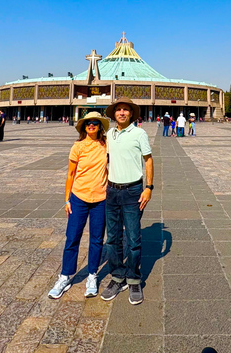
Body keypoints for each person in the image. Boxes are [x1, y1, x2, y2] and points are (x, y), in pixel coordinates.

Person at [48, 111, 110, 299]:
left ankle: (92, 275)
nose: (91, 125)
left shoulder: (106, 144)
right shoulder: (77, 147)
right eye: (88, 123)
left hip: (101, 198)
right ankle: (65, 276)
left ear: (100, 126)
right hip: (78, 197)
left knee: (97, 239)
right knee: (72, 237)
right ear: (83, 127)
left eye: (95, 123)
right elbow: (70, 174)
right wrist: (66, 199)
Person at [100, 97, 154, 305]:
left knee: (133, 239)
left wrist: (148, 188)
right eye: (118, 110)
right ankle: (117, 277)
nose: (122, 113)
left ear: (131, 114)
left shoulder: (139, 133)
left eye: (125, 110)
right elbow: (104, 159)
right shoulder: (110, 135)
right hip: (112, 191)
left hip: (133, 191)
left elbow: (148, 160)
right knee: (112, 238)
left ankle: (133, 278)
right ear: (114, 113)